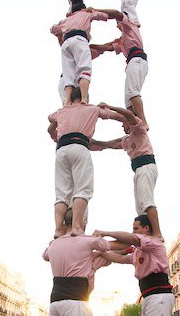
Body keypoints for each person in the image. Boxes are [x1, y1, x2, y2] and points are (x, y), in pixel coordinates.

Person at [48, 86, 124, 237]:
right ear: (85, 97)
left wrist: (57, 135)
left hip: (62, 149)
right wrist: (125, 117)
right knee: (83, 189)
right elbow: (116, 116)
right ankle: (76, 226)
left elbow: (50, 122)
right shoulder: (91, 109)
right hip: (80, 146)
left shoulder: (62, 111)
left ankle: (58, 229)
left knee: (62, 193)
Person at [92, 105, 161, 237]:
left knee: (147, 201)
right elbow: (112, 144)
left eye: (123, 123)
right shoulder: (128, 139)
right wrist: (96, 143)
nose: (122, 126)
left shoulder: (139, 129)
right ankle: (146, 233)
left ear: (129, 122)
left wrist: (109, 107)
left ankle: (157, 233)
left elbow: (129, 115)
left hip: (146, 166)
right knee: (140, 207)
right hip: (138, 170)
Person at [50, 0, 116, 105]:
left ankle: (67, 102)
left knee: (68, 75)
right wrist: (94, 11)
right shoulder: (86, 14)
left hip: (66, 43)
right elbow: (106, 15)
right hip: (79, 39)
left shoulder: (66, 20)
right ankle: (84, 98)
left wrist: (60, 32)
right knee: (84, 69)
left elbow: (53, 29)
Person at [90, 10, 148, 127]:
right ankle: (133, 124)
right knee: (128, 101)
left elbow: (117, 13)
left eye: (118, 23)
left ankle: (143, 122)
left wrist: (95, 10)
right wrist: (91, 46)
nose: (117, 25)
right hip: (133, 61)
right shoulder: (122, 39)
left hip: (137, 59)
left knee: (132, 92)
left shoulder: (129, 26)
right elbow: (108, 47)